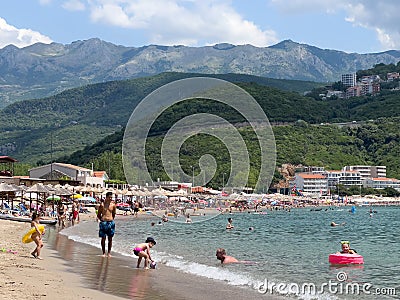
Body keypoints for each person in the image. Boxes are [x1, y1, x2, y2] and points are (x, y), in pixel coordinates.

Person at [97, 192, 117, 257]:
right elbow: (98, 214)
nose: (111, 198)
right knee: (103, 238)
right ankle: (103, 252)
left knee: (110, 238)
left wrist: (110, 219)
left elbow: (114, 214)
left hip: (110, 222)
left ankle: (109, 253)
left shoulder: (113, 205)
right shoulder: (102, 205)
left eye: (111, 197)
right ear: (106, 197)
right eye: (109, 197)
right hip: (103, 222)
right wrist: (102, 220)